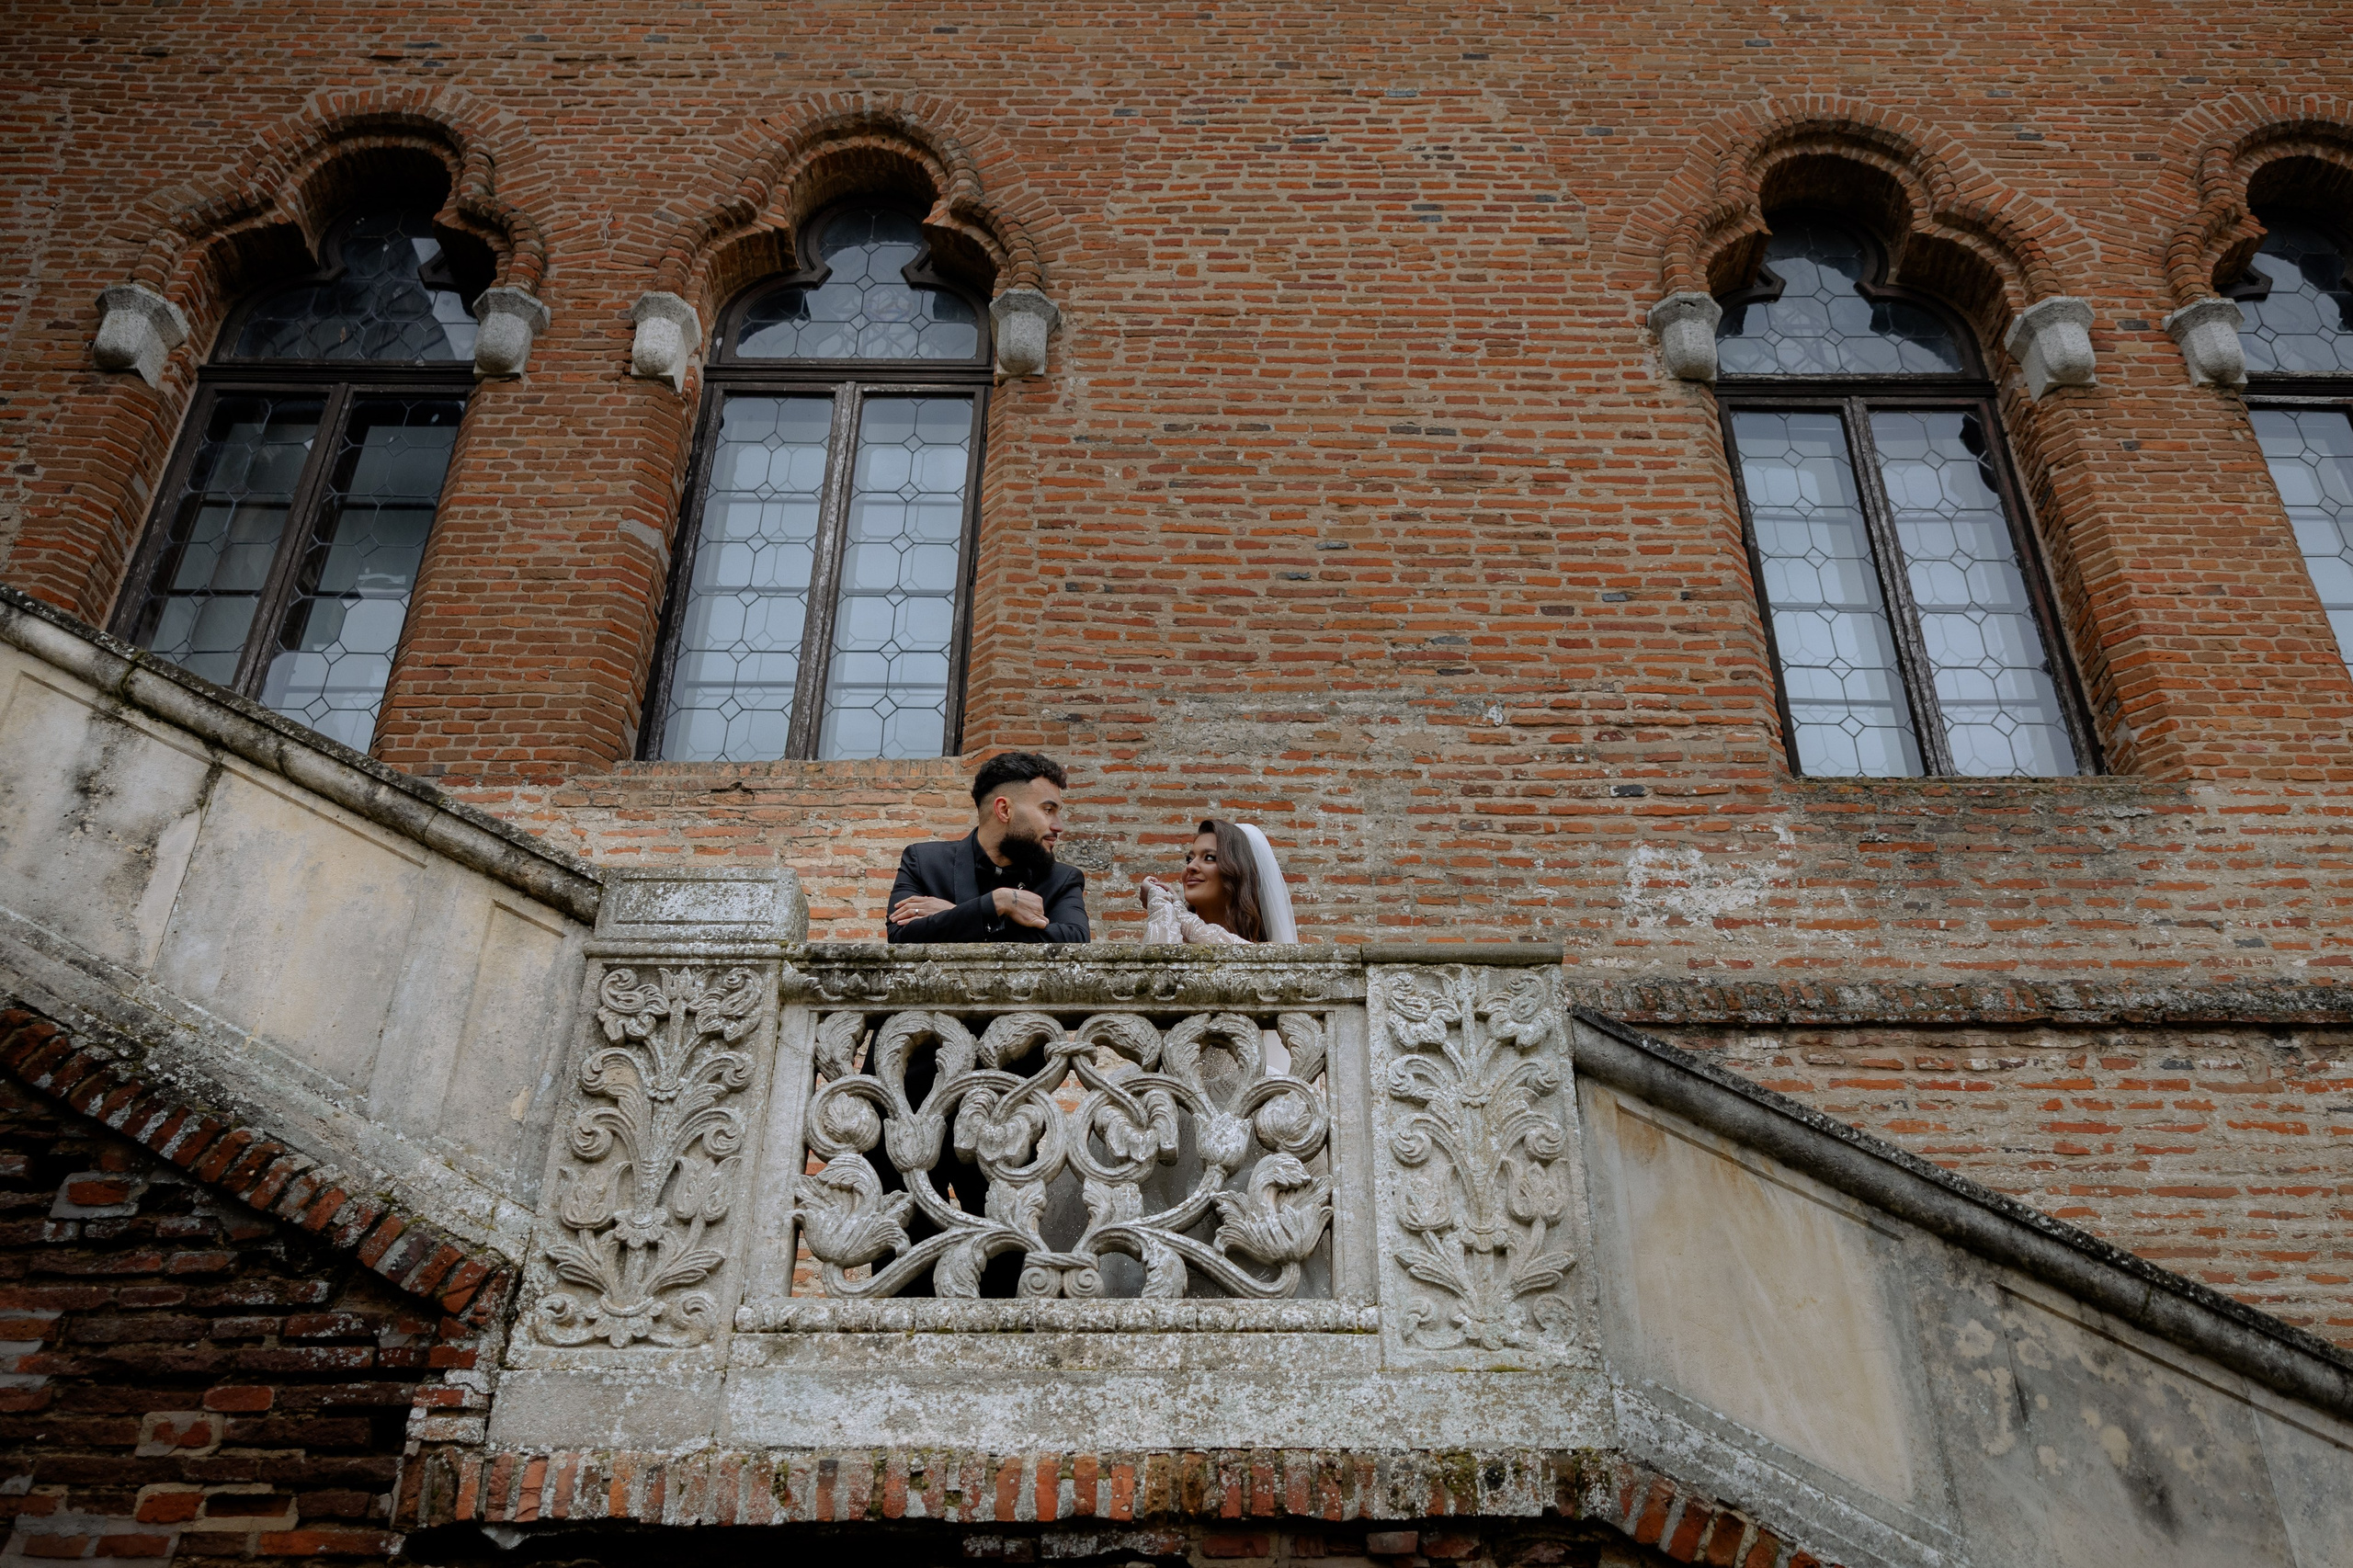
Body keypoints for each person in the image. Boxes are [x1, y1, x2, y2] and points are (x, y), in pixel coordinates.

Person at [887, 752, 1090, 943]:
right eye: (1048, 810)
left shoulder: (1062, 879)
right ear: (1004, 810)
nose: (1059, 826)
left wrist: (971, 912)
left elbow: (1075, 940)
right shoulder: (924, 862)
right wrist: (999, 902)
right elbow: (900, 935)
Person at [1140, 819, 1299, 944]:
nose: (1191, 867)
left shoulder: (1267, 954)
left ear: (1238, 873)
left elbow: (1230, 951)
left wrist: (1175, 909)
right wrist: (1162, 903)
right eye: (1189, 859)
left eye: (1209, 858)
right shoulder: (1171, 936)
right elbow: (1158, 967)